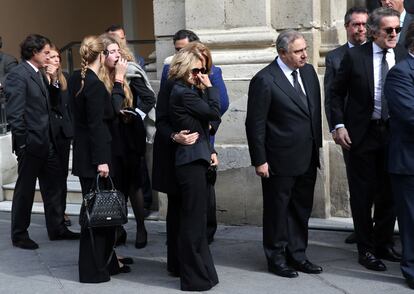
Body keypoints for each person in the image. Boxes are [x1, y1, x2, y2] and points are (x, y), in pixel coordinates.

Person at [330, 7, 407, 271]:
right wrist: (338, 126)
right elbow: (336, 94)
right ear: (374, 31)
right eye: (389, 30)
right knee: (363, 195)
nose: (395, 34)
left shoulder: (401, 55)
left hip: (394, 134)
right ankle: (366, 249)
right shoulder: (354, 57)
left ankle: (384, 243)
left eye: (397, 29)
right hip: (362, 134)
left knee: (390, 192)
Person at [245, 29, 323, 278]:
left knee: (301, 209)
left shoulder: (309, 73)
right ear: (282, 53)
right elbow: (255, 123)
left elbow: (312, 112)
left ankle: (298, 255)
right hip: (278, 159)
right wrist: (260, 160)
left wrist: (316, 148)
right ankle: (276, 258)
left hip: (307, 156)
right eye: (298, 51)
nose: (305, 55)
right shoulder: (265, 79)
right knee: (278, 211)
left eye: (305, 49)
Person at [4, 34, 79, 250]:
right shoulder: (19, 75)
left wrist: (53, 80)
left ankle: (57, 228)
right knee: (25, 190)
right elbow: (15, 114)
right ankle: (19, 234)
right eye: (46, 52)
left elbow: (52, 105)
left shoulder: (39, 73)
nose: (49, 56)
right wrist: (24, 144)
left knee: (55, 186)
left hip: (50, 143)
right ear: (34, 53)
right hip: (32, 144)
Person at [156, 29, 229, 245]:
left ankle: (201, 245)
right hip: (176, 149)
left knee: (202, 202)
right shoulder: (171, 76)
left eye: (183, 49)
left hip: (202, 144)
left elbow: (221, 106)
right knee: (178, 207)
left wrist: (209, 130)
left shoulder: (211, 73)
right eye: (177, 50)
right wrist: (173, 136)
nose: (179, 53)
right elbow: (162, 117)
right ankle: (179, 258)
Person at [68, 35, 129, 283]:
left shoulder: (78, 79)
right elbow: (98, 124)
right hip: (96, 159)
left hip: (87, 157)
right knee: (96, 218)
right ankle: (92, 271)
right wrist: (118, 82)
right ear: (102, 56)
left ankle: (106, 264)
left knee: (98, 218)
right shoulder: (92, 84)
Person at [168, 42, 220, 291]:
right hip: (189, 162)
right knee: (192, 222)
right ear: (184, 69)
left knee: (197, 220)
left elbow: (207, 123)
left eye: (202, 70)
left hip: (195, 158)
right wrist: (211, 87)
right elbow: (214, 113)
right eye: (196, 70)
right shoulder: (183, 92)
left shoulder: (187, 90)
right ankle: (193, 277)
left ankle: (202, 273)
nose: (200, 74)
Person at [100, 33, 154, 249]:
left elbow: (150, 98)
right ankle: (118, 229)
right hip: (110, 135)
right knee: (115, 186)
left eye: (117, 50)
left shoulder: (130, 71)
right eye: (111, 51)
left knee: (134, 185)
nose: (116, 55)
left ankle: (141, 228)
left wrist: (136, 114)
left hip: (129, 133)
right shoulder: (98, 76)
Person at [324, 7, 369, 245]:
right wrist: (336, 127)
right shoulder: (335, 57)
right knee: (357, 182)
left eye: (363, 24)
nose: (360, 29)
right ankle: (361, 228)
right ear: (347, 27)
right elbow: (331, 96)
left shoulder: (380, 53)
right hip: (351, 132)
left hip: (378, 130)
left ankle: (379, 231)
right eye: (355, 24)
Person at [384, 22, 414, 290]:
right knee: (411, 220)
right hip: (408, 162)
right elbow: (409, 115)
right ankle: (411, 271)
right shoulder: (400, 73)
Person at [45, 44, 73, 227]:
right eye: (52, 57)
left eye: (58, 57)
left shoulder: (66, 78)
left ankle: (61, 212)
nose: (56, 60)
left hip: (63, 133)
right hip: (48, 134)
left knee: (62, 176)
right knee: (52, 179)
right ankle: (55, 215)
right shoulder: (40, 79)